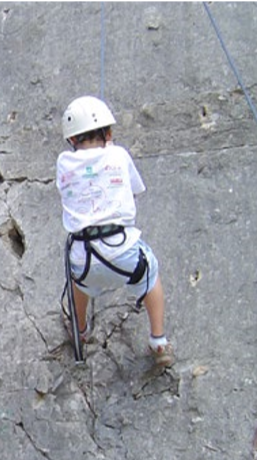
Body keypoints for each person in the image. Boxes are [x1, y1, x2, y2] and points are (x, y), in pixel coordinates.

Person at [56, 96, 174, 367]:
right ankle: (159, 341)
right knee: (151, 274)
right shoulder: (118, 154)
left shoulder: (64, 162)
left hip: (83, 256)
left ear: (71, 140)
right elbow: (136, 188)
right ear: (108, 133)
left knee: (77, 282)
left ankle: (81, 330)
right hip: (122, 251)